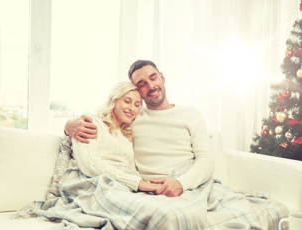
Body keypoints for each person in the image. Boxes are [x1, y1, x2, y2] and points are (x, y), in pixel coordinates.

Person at [65, 60, 214, 197]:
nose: (150, 86)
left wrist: (182, 184)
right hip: (148, 190)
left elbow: (206, 159)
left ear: (162, 77)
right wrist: (68, 127)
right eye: (142, 84)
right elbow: (105, 123)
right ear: (137, 90)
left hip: (188, 184)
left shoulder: (191, 114)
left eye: (153, 77)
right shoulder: (132, 118)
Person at [71, 81, 160, 193]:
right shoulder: (91, 122)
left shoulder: (127, 136)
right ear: (114, 100)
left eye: (137, 105)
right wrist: (137, 183)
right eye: (127, 101)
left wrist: (145, 184)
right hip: (98, 185)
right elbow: (89, 164)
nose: (132, 108)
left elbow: (130, 168)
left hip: (126, 187)